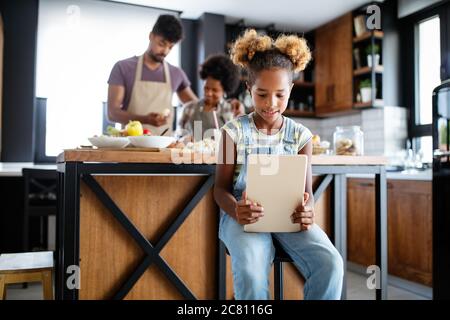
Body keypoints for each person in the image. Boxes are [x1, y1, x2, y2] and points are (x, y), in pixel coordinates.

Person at [214, 29, 343, 300]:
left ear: (291, 91)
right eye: (262, 94)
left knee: (331, 264)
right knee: (250, 271)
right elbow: (220, 190)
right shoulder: (232, 132)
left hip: (288, 216)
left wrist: (307, 210)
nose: (271, 104)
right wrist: (237, 210)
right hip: (243, 217)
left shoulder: (301, 136)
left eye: (279, 95)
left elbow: (305, 195)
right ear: (249, 89)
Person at [107, 14, 197, 135]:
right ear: (151, 36)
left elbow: (197, 107)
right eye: (162, 44)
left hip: (164, 148)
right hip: (130, 146)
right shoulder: (123, 67)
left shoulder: (176, 73)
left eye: (170, 47)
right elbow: (112, 113)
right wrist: (146, 120)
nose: (165, 51)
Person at [179, 54, 244, 139]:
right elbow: (179, 136)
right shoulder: (188, 109)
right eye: (206, 88)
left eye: (215, 90)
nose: (209, 93)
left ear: (225, 90)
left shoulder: (232, 110)